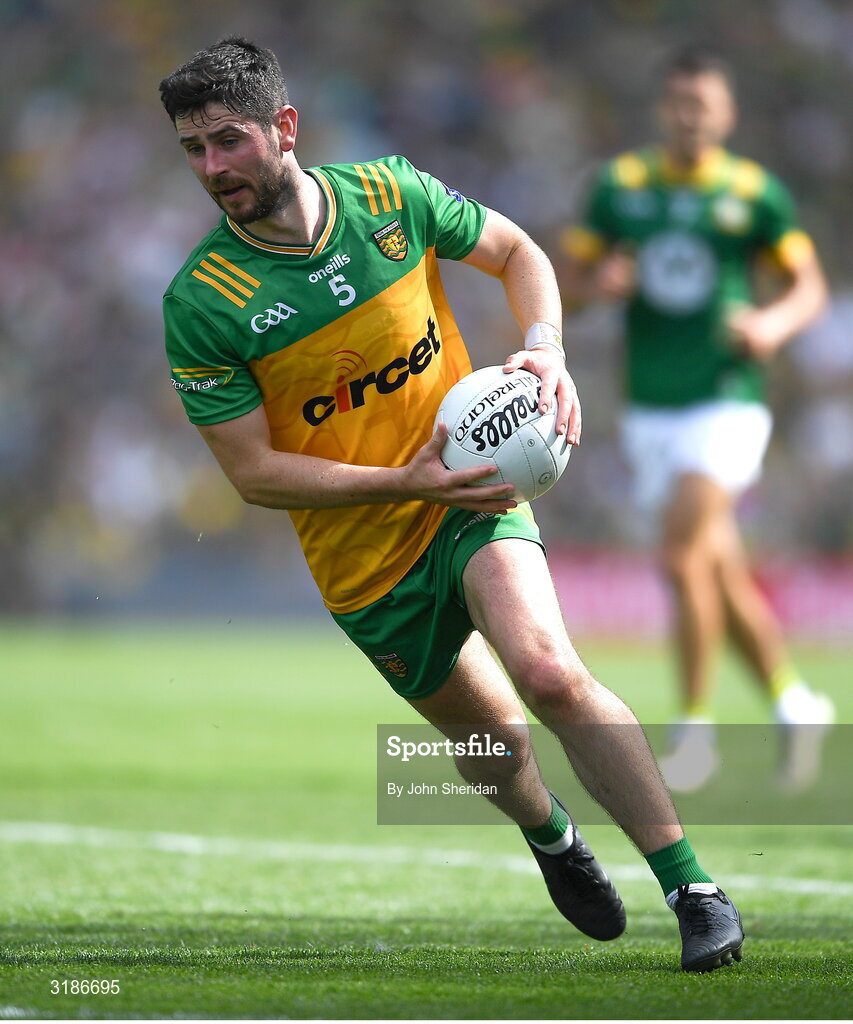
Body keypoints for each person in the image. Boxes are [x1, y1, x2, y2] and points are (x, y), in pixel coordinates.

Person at [159, 37, 744, 972]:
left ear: (285, 127)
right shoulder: (202, 303)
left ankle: (692, 890)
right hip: (364, 562)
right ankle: (551, 836)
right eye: (193, 149)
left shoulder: (389, 193)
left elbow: (516, 252)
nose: (211, 167)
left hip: (471, 497)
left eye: (228, 140)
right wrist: (402, 481)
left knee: (548, 674)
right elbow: (253, 474)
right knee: (493, 743)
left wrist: (544, 347)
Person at [560, 47, 834, 794]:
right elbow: (568, 283)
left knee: (681, 558)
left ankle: (694, 730)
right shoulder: (621, 188)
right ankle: (794, 703)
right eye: (680, 103)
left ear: (726, 114)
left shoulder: (753, 194)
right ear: (663, 109)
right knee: (715, 567)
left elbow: (807, 287)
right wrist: (597, 284)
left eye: (703, 105)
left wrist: (772, 325)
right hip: (650, 406)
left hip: (726, 399)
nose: (691, 118)